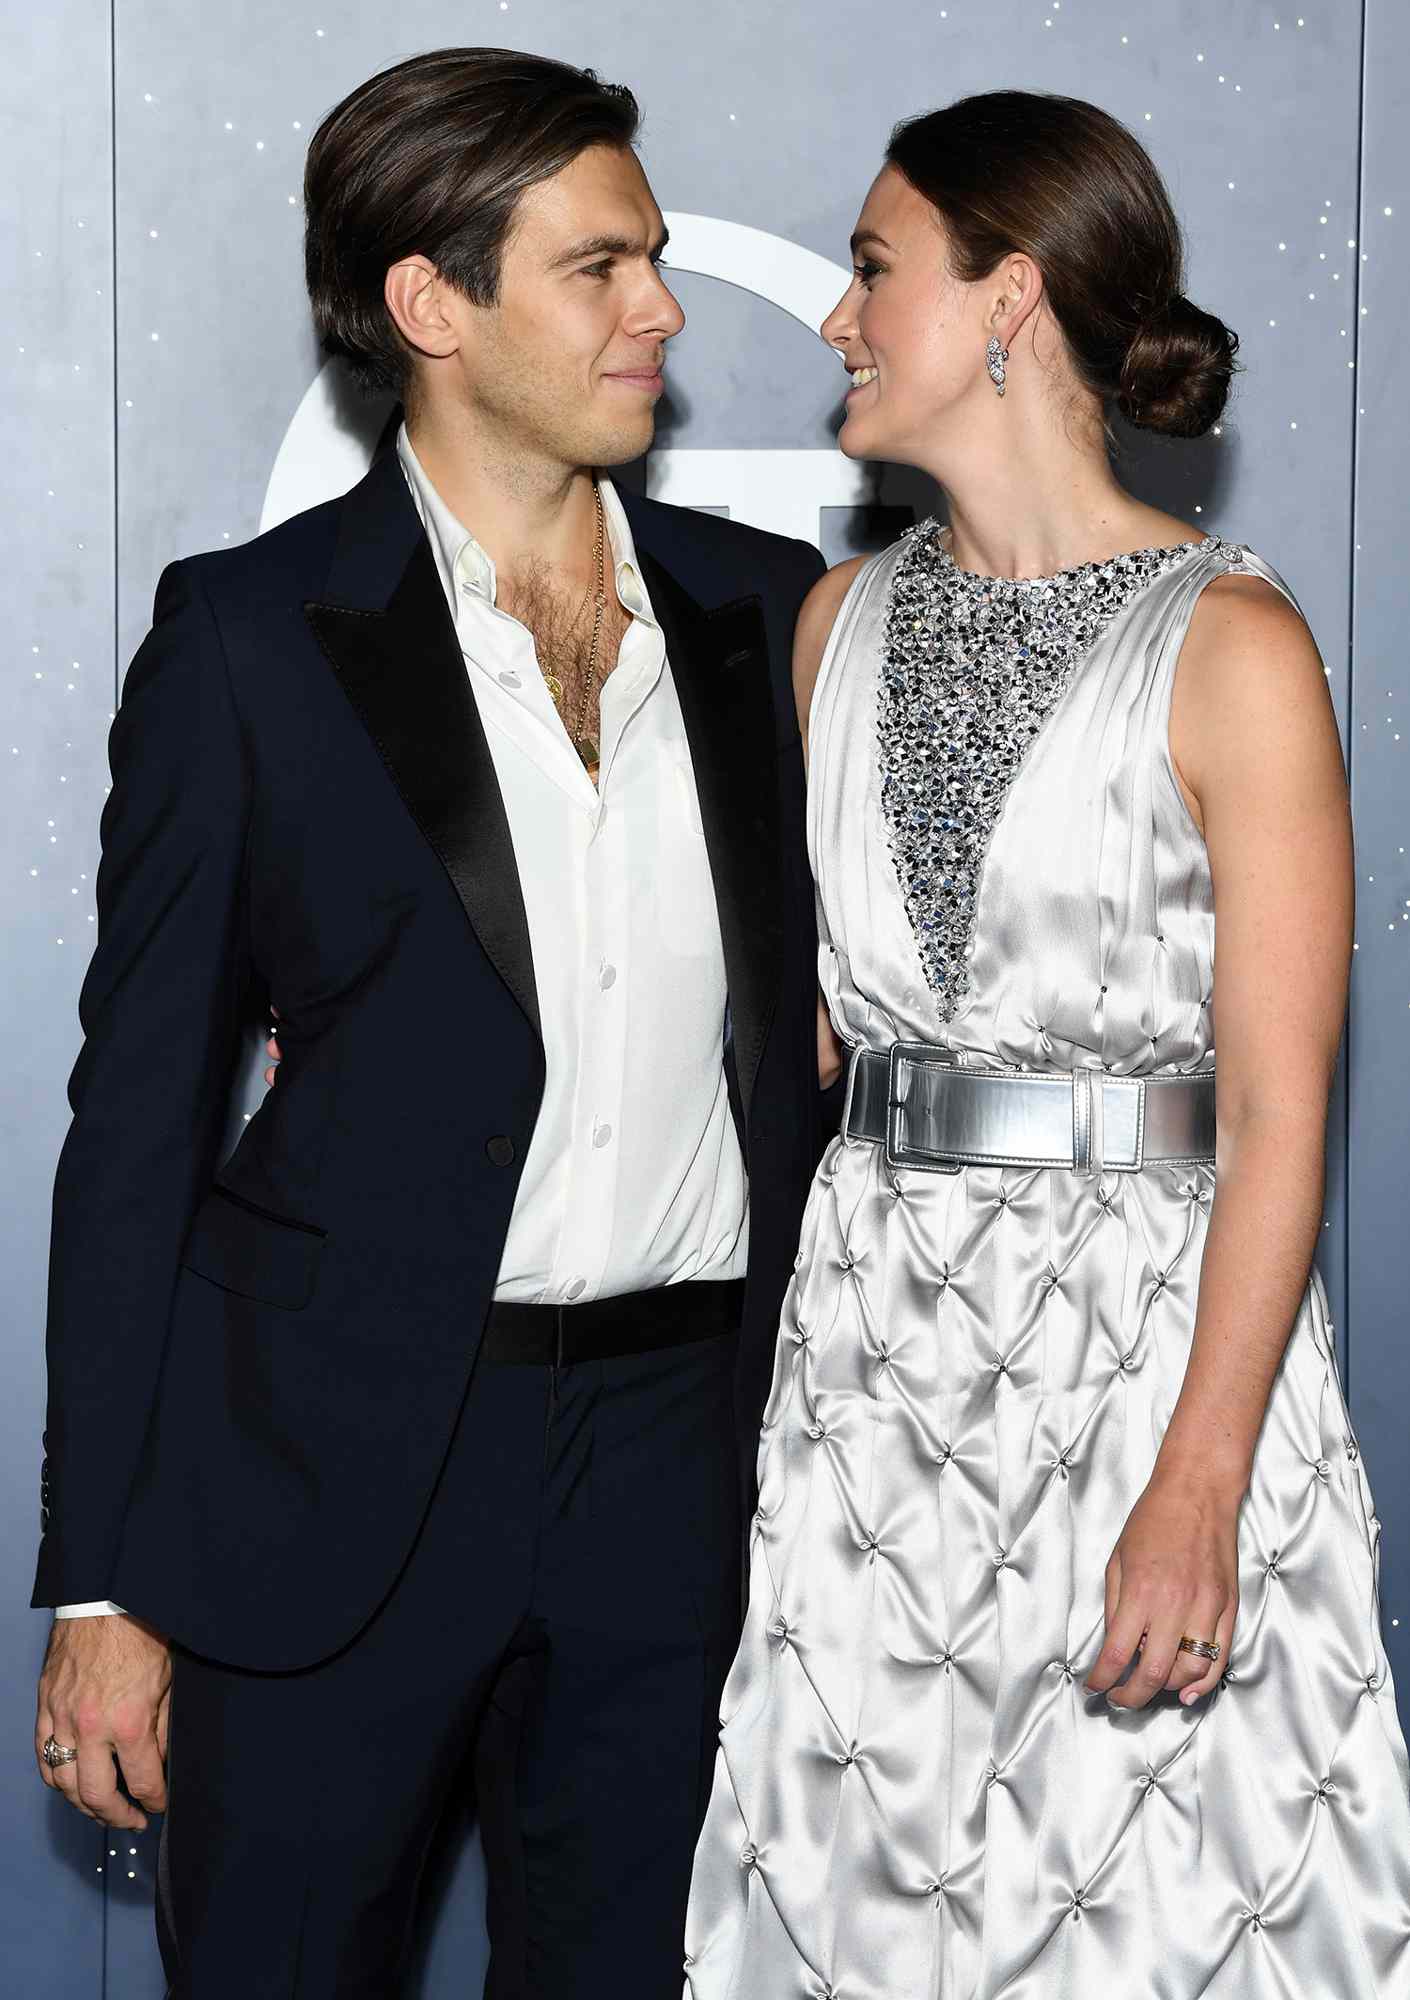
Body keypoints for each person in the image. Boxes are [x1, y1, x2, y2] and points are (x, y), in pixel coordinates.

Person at [31, 48, 827, 1997]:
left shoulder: (768, 612)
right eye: (601, 265)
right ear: (429, 304)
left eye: (650, 257)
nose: (664, 307)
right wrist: (104, 1574)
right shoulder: (247, 639)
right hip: (330, 1469)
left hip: (678, 1462)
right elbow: (136, 1120)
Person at [684, 90, 1410, 1997]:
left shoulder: (1229, 647)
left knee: (1161, 1913)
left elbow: (1275, 1115)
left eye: (869, 270)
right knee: (860, 1909)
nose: (836, 321)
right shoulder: (832, 623)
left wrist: (1199, 1485)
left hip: (1142, 1362)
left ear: (1007, 296)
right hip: (871, 1375)